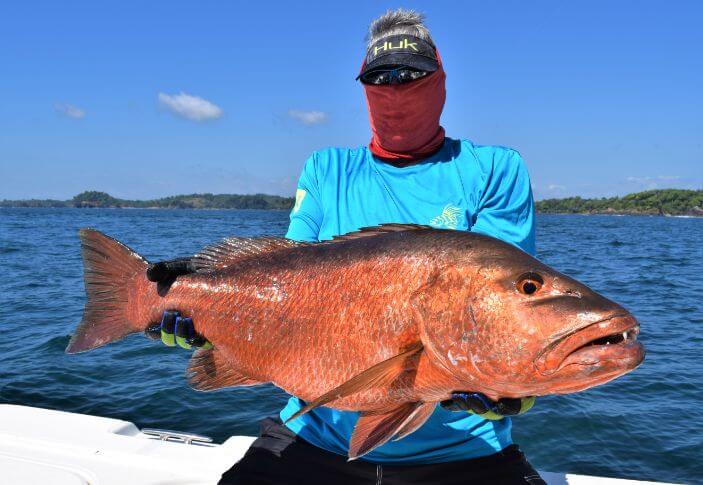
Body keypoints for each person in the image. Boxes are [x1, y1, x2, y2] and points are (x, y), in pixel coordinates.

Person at [148, 9, 545, 485]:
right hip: (313, 433)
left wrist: (509, 386)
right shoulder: (326, 169)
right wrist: (205, 300)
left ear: (440, 80)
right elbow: (288, 280)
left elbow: (502, 301)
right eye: (381, 77)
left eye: (412, 74)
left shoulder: (495, 169)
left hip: (463, 449)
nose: (396, 88)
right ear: (363, 89)